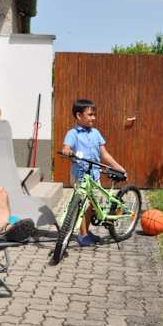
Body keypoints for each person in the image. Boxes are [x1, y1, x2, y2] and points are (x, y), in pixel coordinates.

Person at [60, 98, 126, 246]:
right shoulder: (73, 134)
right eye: (90, 115)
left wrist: (118, 167)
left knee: (92, 204)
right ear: (79, 115)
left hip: (94, 174)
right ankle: (83, 235)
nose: (93, 118)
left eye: (94, 114)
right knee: (83, 204)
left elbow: (104, 154)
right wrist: (66, 150)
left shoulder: (96, 133)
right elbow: (66, 147)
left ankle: (85, 231)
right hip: (80, 175)